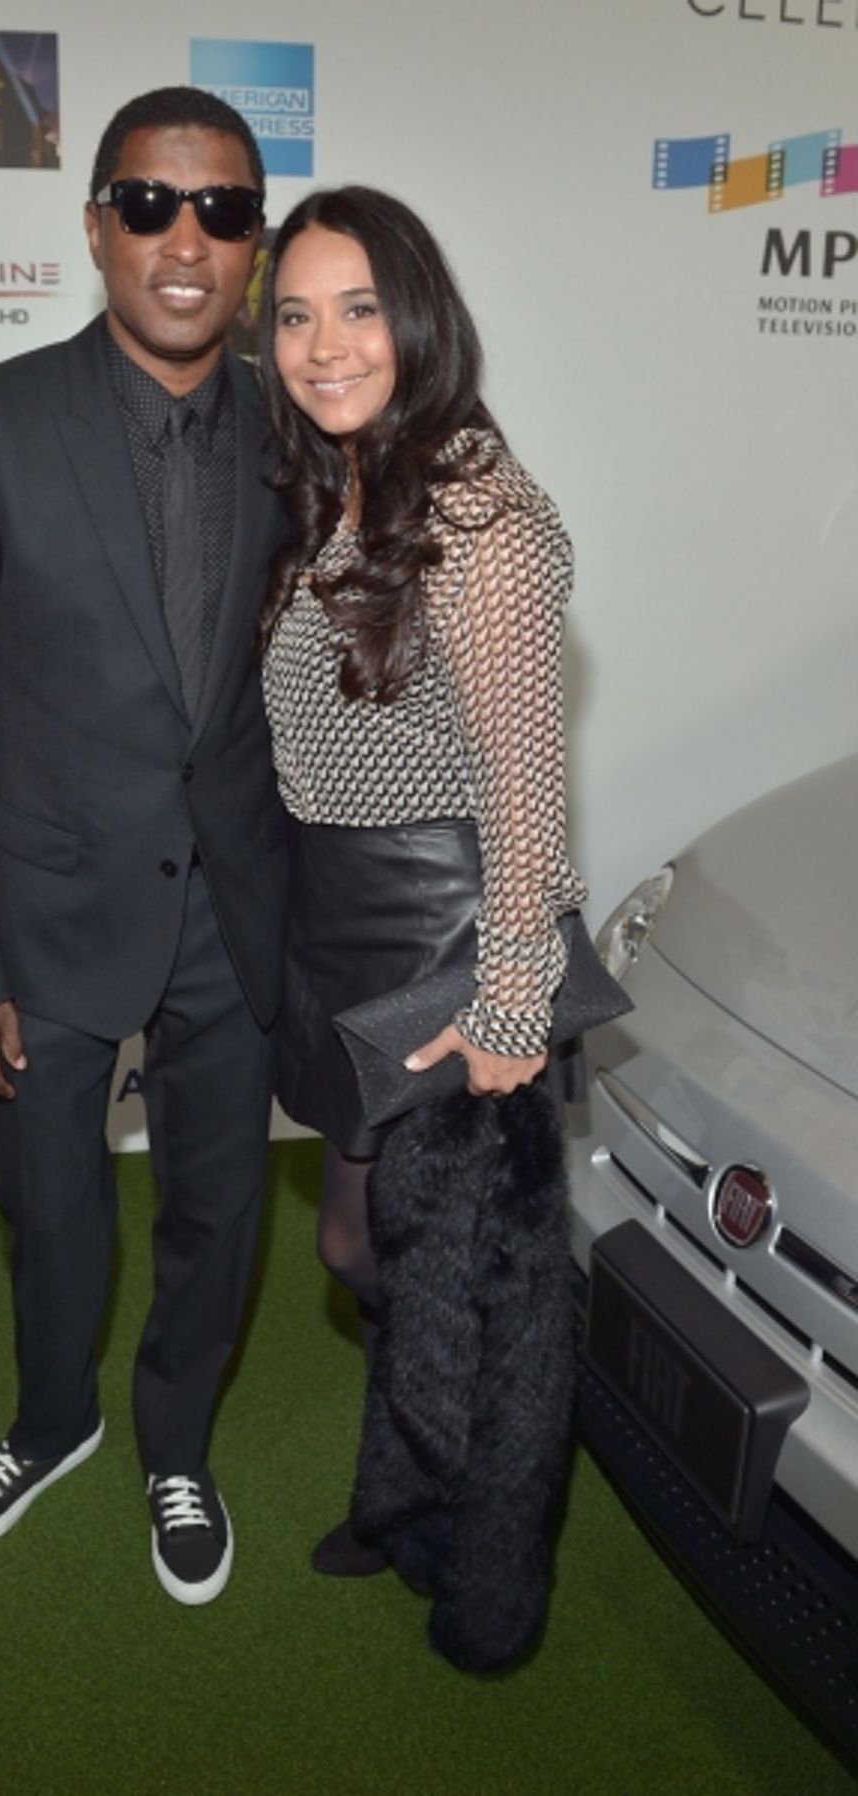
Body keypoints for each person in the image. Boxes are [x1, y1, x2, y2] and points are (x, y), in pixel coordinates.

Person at [0, 87, 288, 1605]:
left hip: (239, 913)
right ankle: (51, 1420)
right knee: (49, 1206)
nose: (187, 241)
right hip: (42, 912)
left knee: (220, 1207)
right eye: (150, 205)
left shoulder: (302, 424)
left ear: (254, 242)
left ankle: (174, 1441)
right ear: (97, 227)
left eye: (225, 211)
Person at [257, 188, 588, 1580]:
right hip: (345, 935)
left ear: (420, 318)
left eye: (358, 308)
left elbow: (526, 776)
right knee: (360, 1244)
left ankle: (485, 1556)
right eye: (293, 313)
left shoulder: (478, 511)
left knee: (472, 1281)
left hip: (451, 936)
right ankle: (414, 1482)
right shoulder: (335, 480)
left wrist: (514, 999)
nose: (324, 343)